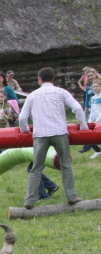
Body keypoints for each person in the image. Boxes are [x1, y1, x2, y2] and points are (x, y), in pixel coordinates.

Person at [19, 67, 87, 209]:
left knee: (36, 168)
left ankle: (30, 200)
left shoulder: (32, 95)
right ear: (53, 79)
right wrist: (84, 126)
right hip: (60, 132)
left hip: (41, 134)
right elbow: (78, 108)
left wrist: (25, 131)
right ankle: (71, 196)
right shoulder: (61, 92)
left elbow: (22, 117)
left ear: (40, 79)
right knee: (66, 165)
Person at [78, 68, 101, 154]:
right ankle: (92, 148)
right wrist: (85, 112)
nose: (90, 77)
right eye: (88, 76)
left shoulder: (100, 83)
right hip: (92, 110)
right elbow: (87, 101)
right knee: (89, 130)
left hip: (99, 109)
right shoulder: (87, 86)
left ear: (95, 74)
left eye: (92, 75)